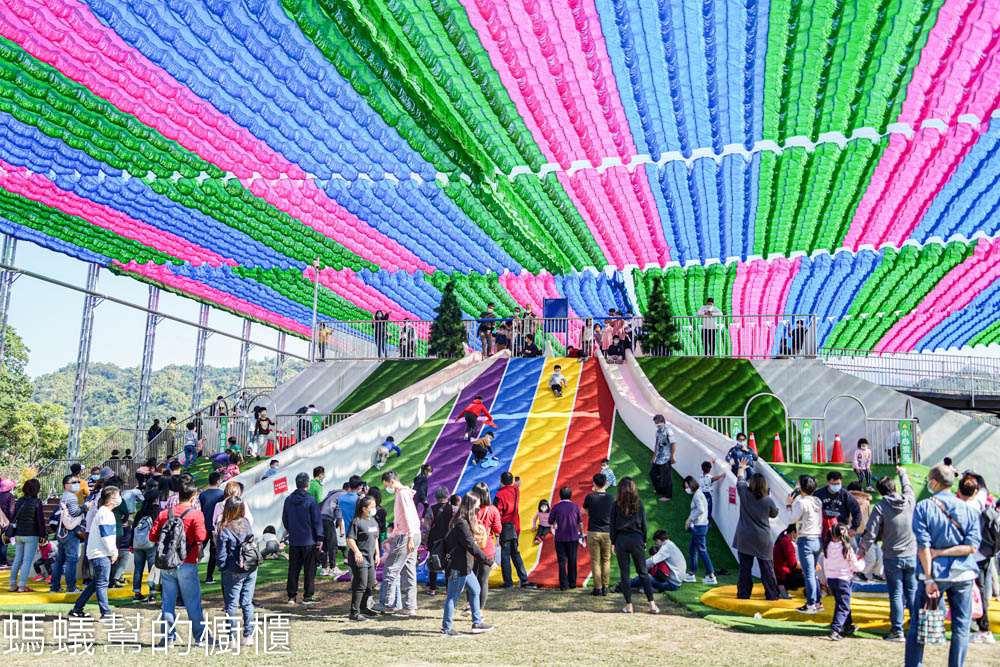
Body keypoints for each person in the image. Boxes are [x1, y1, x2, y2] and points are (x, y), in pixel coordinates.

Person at [905, 464, 981, 667]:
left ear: (933, 482)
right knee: (961, 628)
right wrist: (945, 552)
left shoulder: (924, 507)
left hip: (933, 574)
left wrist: (929, 577)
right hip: (963, 574)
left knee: (918, 626)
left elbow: (924, 547)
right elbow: (972, 547)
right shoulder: (969, 510)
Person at [149, 480, 212, 646]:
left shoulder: (164, 514)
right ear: (193, 498)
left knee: (168, 602)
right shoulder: (195, 514)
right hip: (187, 562)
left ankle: (168, 637)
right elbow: (201, 537)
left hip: (167, 564)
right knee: (192, 602)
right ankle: (201, 637)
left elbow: (153, 536)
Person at [860, 466, 916, 641]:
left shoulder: (880, 507)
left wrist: (860, 552)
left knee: (897, 594)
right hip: (912, 555)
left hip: (892, 557)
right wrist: (902, 473)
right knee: (912, 592)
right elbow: (908, 487)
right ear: (895, 488)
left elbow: (870, 534)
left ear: (879, 492)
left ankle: (897, 631)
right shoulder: (909, 500)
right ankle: (916, 629)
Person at [440, 493, 494, 637]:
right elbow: (471, 546)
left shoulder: (462, 522)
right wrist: (488, 560)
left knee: (476, 590)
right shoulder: (461, 523)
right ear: (470, 506)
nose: (478, 509)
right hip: (457, 567)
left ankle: (476, 623)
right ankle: (446, 629)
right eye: (476, 506)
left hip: (465, 567)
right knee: (452, 596)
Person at [68, 486, 121, 622]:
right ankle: (106, 613)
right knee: (102, 583)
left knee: (96, 583)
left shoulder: (102, 512)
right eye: (118, 496)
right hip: (101, 553)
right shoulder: (106, 514)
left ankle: (77, 609)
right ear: (112, 500)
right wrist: (113, 552)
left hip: (97, 553)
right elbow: (106, 536)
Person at [610, 478, 659, 614]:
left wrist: (613, 542)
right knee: (643, 572)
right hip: (636, 538)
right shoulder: (639, 504)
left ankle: (629, 606)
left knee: (624, 574)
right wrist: (643, 541)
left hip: (621, 539)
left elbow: (612, 526)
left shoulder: (615, 505)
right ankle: (652, 605)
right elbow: (644, 525)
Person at [377, 470, 421, 614]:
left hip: (406, 536)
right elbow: (402, 520)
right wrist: (393, 535)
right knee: (408, 570)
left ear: (392, 481)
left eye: (386, 485)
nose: (387, 488)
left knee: (391, 568)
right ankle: (410, 606)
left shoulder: (401, 494)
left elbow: (408, 516)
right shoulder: (404, 493)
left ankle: (387, 604)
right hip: (412, 534)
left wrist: (408, 537)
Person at [734, 461, 780, 600]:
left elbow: (740, 479)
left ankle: (744, 594)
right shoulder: (767, 500)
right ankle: (772, 594)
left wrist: (741, 467)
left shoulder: (744, 493)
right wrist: (770, 499)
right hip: (762, 538)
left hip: (744, 536)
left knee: (745, 568)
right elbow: (774, 514)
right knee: (767, 568)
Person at [216, 496, 257, 645]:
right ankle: (248, 636)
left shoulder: (224, 527)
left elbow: (221, 554)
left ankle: (232, 637)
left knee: (232, 604)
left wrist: (222, 567)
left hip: (233, 569)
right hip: (251, 566)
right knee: (247, 602)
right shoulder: (246, 523)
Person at [959, 474, 995, 645]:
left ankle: (983, 627)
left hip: (969, 555)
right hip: (984, 553)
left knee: (972, 591)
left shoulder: (962, 507)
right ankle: (980, 625)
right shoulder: (980, 501)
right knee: (980, 590)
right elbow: (984, 490)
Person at [282, 472, 323, 605]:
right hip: (309, 539)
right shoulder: (310, 500)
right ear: (307, 484)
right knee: (310, 569)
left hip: (295, 539)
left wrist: (291, 529)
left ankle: (291, 596)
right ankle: (308, 595)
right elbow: (317, 520)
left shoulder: (289, 499)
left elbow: (285, 518)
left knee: (293, 568)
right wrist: (320, 537)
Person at [787, 474, 824, 613]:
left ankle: (810, 604)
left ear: (801, 487)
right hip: (817, 539)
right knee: (812, 573)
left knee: (808, 574)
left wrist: (789, 504)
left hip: (806, 540)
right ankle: (817, 602)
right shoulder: (817, 501)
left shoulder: (801, 503)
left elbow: (791, 519)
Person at [494, 471, 536, 589]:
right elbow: (517, 485)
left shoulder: (499, 496)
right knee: (515, 553)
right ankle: (524, 579)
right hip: (515, 527)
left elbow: (498, 515)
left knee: (505, 556)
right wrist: (517, 483)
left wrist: (496, 533)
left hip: (504, 528)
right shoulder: (515, 490)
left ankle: (508, 583)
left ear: (501, 481)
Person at [824, 522, 864, 640]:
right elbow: (857, 567)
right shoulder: (847, 548)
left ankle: (848, 625)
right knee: (843, 606)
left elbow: (825, 563)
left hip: (831, 579)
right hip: (843, 580)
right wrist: (863, 562)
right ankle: (835, 630)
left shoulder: (827, 546)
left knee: (841, 602)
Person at [49, 474, 85, 594]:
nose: (77, 484)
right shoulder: (71, 497)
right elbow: (75, 512)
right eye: (74, 482)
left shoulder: (64, 496)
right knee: (71, 559)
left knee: (60, 559)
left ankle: (55, 586)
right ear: (66, 485)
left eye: (77, 482)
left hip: (61, 531)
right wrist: (85, 507)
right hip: (70, 531)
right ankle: (71, 587)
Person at [346, 495, 380, 621]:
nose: (374, 509)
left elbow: (375, 538)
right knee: (360, 584)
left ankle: (363, 607)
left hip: (370, 558)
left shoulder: (373, 521)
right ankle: (354, 613)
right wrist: (357, 552)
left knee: (371, 584)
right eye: (372, 507)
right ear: (365, 508)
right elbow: (350, 538)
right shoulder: (357, 521)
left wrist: (377, 553)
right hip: (360, 558)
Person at [8, 478, 45, 592]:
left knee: (17, 559)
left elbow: (14, 516)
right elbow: (40, 520)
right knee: (27, 561)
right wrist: (43, 534)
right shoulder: (37, 502)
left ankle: (12, 584)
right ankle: (22, 586)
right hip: (31, 534)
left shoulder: (19, 501)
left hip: (19, 533)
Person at [470, 482, 501, 609]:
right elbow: (498, 529)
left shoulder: (470, 509)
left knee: (471, 580)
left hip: (471, 549)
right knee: (483, 581)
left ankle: (470, 606)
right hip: (486, 548)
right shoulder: (493, 510)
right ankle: (479, 610)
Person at [583, 472, 614, 596]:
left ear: (594, 484)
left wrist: (592, 514)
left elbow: (584, 510)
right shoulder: (611, 498)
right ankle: (605, 587)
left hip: (593, 531)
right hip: (607, 532)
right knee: (606, 560)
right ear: (606, 483)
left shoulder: (590, 497)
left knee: (595, 560)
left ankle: (597, 587)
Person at [682, 476, 717, 584]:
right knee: (693, 550)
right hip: (700, 526)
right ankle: (692, 573)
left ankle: (711, 576)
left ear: (690, 484)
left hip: (699, 526)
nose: (686, 489)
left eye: (686, 486)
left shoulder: (697, 495)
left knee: (701, 551)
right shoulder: (699, 493)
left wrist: (689, 519)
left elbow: (700, 510)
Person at [548, 486, 583, 590]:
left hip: (560, 538)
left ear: (560, 496)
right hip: (573, 537)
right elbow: (580, 522)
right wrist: (581, 534)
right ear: (571, 496)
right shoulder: (575, 507)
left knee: (561, 561)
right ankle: (572, 583)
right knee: (572, 560)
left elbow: (550, 521)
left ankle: (563, 585)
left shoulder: (556, 507)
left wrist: (555, 522)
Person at [131, 488, 160, 602]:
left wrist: (131, 544)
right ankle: (152, 594)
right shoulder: (158, 511)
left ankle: (137, 593)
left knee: (138, 569)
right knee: (152, 568)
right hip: (151, 543)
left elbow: (134, 528)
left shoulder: (140, 512)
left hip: (138, 544)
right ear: (156, 499)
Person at [426, 487, 455, 595]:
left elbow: (426, 528)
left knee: (433, 562)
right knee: (449, 563)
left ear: (436, 497)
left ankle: (432, 588)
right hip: (449, 539)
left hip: (434, 540)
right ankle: (448, 588)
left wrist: (424, 542)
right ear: (447, 496)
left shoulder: (431, 509)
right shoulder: (454, 509)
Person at [815, 471, 862, 538]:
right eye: (833, 484)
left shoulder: (846, 495)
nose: (836, 486)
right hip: (822, 529)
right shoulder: (819, 494)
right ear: (827, 482)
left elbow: (857, 510)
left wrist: (854, 527)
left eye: (838, 484)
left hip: (841, 529)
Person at [199, 472, 225, 586]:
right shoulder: (221, 494)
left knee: (198, 550)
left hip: (203, 526)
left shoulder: (202, 495)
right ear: (218, 481)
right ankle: (209, 576)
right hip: (215, 527)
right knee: (213, 552)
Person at [319, 483, 346, 577]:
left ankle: (324, 568)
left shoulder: (332, 494)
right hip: (327, 519)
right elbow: (338, 511)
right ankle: (333, 568)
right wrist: (342, 528)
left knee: (324, 545)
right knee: (333, 544)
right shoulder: (342, 495)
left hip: (319, 519)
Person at [773, 525, 804, 599]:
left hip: (778, 574)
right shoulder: (786, 542)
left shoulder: (782, 539)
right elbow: (793, 565)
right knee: (810, 576)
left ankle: (781, 587)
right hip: (783, 575)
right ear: (793, 533)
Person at [650, 414, 675, 502]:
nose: (656, 425)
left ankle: (668, 495)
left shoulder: (669, 431)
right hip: (658, 458)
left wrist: (672, 456)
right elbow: (656, 444)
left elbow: (673, 443)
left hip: (666, 458)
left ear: (663, 422)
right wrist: (653, 457)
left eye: (657, 423)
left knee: (666, 478)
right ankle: (659, 489)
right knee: (652, 473)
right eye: (655, 423)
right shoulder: (657, 432)